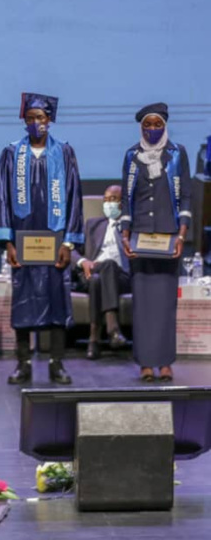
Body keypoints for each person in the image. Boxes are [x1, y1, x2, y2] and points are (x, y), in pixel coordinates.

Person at [0, 93, 83, 385]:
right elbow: (2, 198)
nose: (35, 123)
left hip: (56, 243)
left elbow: (74, 196)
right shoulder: (11, 153)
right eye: (30, 118)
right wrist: (8, 243)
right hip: (23, 243)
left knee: (57, 303)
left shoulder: (64, 152)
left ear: (49, 120)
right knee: (23, 303)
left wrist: (69, 243)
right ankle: (23, 364)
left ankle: (57, 364)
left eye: (40, 118)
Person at [120, 103, 191, 382]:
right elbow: (126, 197)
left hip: (168, 238)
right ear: (141, 127)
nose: (152, 129)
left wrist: (182, 235)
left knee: (164, 305)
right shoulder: (131, 155)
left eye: (157, 124)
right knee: (143, 305)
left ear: (165, 126)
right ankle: (146, 363)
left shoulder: (177, 153)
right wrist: (125, 234)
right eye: (147, 125)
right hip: (140, 238)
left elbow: (185, 195)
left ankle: (165, 363)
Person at [72, 185, 130, 360]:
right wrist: (83, 262)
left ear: (123, 203)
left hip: (122, 277)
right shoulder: (92, 225)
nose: (107, 203)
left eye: (112, 199)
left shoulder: (133, 227)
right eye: (105, 200)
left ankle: (94, 338)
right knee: (101, 272)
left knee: (104, 272)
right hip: (90, 272)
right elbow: (71, 250)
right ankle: (113, 329)